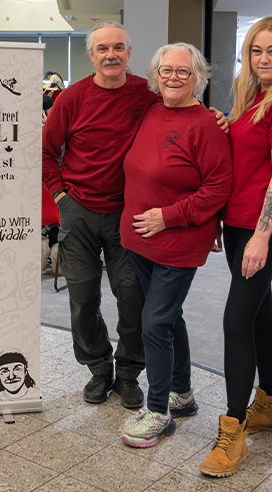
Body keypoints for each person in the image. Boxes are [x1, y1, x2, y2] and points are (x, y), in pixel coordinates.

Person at [199, 17, 272, 478]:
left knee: (235, 319)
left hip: (265, 225)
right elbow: (245, 157)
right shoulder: (253, 98)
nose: (264, 59)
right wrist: (223, 123)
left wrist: (262, 237)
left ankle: (233, 431)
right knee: (258, 312)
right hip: (238, 220)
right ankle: (269, 404)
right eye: (256, 51)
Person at [118, 43, 232, 448]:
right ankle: (181, 394)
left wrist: (168, 216)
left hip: (178, 242)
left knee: (155, 323)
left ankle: (157, 412)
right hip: (138, 239)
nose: (173, 78)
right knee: (168, 319)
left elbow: (218, 186)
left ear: (198, 77)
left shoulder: (206, 125)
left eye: (183, 72)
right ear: (156, 74)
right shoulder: (152, 109)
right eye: (166, 70)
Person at [41, 21, 157, 409]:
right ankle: (98, 369)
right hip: (79, 212)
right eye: (103, 48)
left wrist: (215, 117)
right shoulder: (71, 98)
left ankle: (127, 373)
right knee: (83, 296)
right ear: (91, 55)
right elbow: (44, 151)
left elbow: (182, 114)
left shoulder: (147, 94)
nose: (111, 55)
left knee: (132, 296)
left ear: (129, 53)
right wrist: (60, 196)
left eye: (119, 48)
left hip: (129, 214)